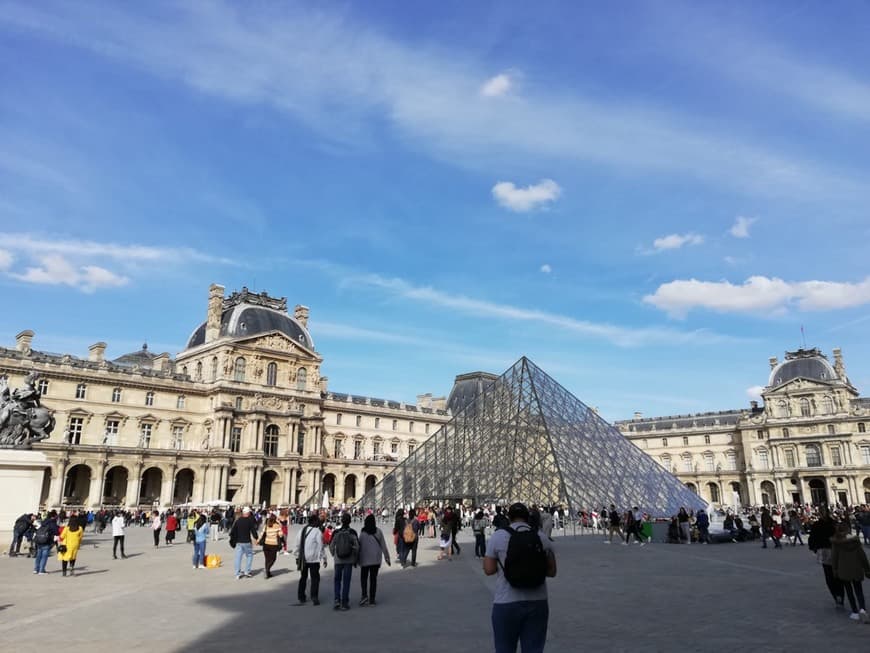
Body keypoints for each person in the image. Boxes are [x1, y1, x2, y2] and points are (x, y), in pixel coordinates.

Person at [484, 502, 557, 653]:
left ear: (509, 517)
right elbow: (552, 571)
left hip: (506, 601)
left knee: (504, 649)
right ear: (528, 517)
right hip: (538, 601)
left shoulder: (498, 537)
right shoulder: (541, 537)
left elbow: (489, 569)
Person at [831, 521, 870, 622]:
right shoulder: (855, 542)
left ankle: (855, 612)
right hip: (856, 568)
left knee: (849, 591)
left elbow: (834, 558)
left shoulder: (836, 543)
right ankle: (862, 609)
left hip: (843, 570)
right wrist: (867, 568)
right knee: (859, 590)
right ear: (848, 529)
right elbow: (862, 556)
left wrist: (834, 569)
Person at [808, 506, 845, 608]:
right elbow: (812, 538)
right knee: (831, 576)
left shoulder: (831, 524)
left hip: (832, 550)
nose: (822, 514)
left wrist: (814, 547)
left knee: (834, 576)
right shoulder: (831, 523)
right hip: (828, 550)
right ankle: (837, 596)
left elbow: (812, 538)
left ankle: (839, 596)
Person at [358, 514, 391, 606]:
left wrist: (356, 559)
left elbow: (359, 546)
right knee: (373, 579)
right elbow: (383, 546)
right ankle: (372, 599)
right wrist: (387, 557)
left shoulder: (363, 532)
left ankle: (364, 596)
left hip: (364, 559)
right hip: (375, 560)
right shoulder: (378, 532)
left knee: (363, 578)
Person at [294, 513, 327, 605]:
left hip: (303, 558)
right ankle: (314, 597)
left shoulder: (301, 530)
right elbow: (321, 546)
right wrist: (324, 558)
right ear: (315, 522)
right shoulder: (317, 531)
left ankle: (301, 596)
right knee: (315, 578)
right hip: (313, 559)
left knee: (303, 577)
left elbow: (297, 544)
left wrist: (297, 556)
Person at [329, 511, 359, 611]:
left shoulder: (336, 532)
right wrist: (355, 557)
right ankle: (344, 602)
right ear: (350, 521)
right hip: (348, 560)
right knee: (346, 581)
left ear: (341, 521)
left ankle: (337, 600)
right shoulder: (352, 532)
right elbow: (357, 547)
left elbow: (331, 545)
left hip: (338, 560)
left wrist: (334, 554)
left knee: (337, 580)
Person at [229, 507, 258, 579]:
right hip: (247, 541)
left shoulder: (238, 521)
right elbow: (253, 531)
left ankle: (237, 573)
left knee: (238, 557)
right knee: (249, 555)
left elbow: (233, 531)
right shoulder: (249, 521)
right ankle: (247, 571)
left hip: (239, 542)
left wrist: (233, 540)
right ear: (248, 513)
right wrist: (256, 538)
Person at [33, 510, 59, 575]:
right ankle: (41, 570)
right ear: (54, 516)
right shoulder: (52, 523)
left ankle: (36, 569)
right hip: (47, 541)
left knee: (39, 555)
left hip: (39, 540)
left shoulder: (44, 521)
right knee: (44, 556)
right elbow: (56, 532)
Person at [259, 513, 283, 579]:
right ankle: (266, 570)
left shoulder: (266, 525)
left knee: (267, 559)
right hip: (273, 545)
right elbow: (281, 535)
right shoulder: (277, 526)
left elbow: (262, 534)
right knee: (273, 559)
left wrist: (258, 541)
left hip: (266, 544)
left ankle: (268, 573)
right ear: (275, 519)